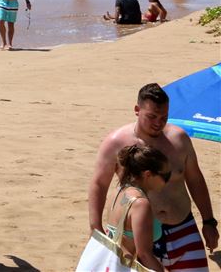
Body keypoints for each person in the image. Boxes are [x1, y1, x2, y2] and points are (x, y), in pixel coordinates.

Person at [88, 83, 217, 271]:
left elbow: (195, 179)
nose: (158, 122)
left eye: (164, 117)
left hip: (182, 227)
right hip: (135, 237)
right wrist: (95, 227)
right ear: (137, 110)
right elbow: (99, 184)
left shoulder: (179, 139)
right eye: (152, 116)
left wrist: (208, 221)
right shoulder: (116, 142)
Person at [101, 143, 171, 272]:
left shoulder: (118, 192)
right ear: (148, 175)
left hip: (111, 264)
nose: (168, 181)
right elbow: (144, 254)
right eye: (166, 176)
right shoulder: (140, 204)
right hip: (126, 267)